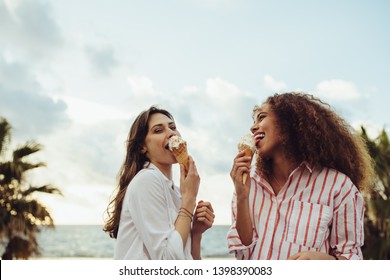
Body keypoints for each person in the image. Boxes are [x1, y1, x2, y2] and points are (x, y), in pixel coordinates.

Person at [228, 92, 374, 260]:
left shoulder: (338, 186)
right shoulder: (247, 182)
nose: (253, 127)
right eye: (253, 121)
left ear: (288, 123)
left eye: (261, 117)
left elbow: (351, 258)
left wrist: (324, 261)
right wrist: (241, 196)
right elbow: (244, 252)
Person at [104, 106, 214, 260]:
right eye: (158, 130)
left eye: (173, 127)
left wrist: (196, 234)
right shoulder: (146, 180)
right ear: (142, 147)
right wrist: (189, 199)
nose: (171, 133)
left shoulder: (175, 191)